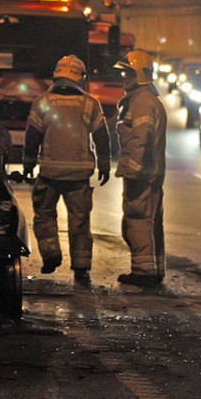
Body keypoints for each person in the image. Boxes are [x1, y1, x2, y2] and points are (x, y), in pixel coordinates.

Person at [23, 55, 111, 284]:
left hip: (50, 173)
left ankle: (51, 251)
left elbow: (33, 136)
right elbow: (102, 136)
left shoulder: (43, 101)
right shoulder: (90, 103)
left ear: (56, 76)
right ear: (80, 79)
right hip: (79, 175)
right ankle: (81, 267)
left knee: (44, 215)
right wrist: (104, 163)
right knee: (79, 222)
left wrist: (28, 163)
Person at [113, 50, 167, 287]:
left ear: (141, 74)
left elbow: (141, 139)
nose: (124, 76)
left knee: (138, 220)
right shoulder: (142, 99)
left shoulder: (142, 103)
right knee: (150, 221)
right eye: (123, 72)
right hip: (148, 173)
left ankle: (143, 273)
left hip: (141, 174)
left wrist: (133, 170)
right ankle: (155, 269)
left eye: (129, 72)